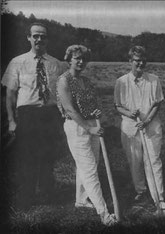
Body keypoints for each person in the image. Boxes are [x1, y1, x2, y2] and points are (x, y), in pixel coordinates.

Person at [2, 22, 65, 209]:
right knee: (27, 158)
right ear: (28, 38)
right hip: (28, 114)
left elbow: (61, 93)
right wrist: (12, 120)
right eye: (35, 35)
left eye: (43, 36)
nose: (39, 39)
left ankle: (48, 194)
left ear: (48, 39)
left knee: (48, 156)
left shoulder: (56, 64)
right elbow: (11, 94)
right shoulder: (17, 62)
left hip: (50, 115)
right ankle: (26, 197)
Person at [57, 45, 117, 226]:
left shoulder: (87, 81)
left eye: (84, 59)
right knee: (90, 169)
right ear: (69, 59)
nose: (81, 62)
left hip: (92, 124)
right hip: (76, 127)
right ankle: (104, 214)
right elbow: (69, 109)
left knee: (89, 165)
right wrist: (88, 128)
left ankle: (81, 200)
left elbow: (95, 103)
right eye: (77, 58)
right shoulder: (63, 80)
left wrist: (101, 119)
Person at [114, 46, 165, 210]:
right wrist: (130, 113)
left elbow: (157, 104)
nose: (141, 63)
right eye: (137, 60)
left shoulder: (154, 80)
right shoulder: (121, 82)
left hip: (151, 125)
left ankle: (158, 197)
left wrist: (146, 121)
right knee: (135, 161)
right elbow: (118, 106)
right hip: (130, 127)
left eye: (143, 60)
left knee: (153, 160)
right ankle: (140, 191)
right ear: (130, 61)